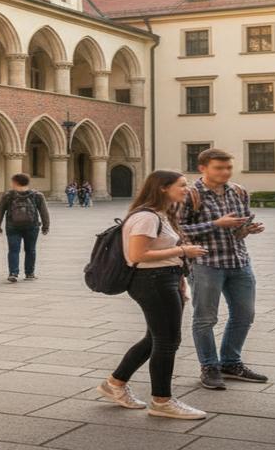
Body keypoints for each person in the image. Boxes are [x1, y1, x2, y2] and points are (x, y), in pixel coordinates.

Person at [98, 170, 209, 420]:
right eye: (182, 185)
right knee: (168, 341)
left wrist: (179, 277)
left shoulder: (162, 214)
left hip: (165, 279)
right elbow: (137, 255)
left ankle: (114, 384)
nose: (187, 188)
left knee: (155, 338)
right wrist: (183, 250)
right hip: (152, 281)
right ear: (162, 187)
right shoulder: (146, 217)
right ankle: (162, 401)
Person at [179, 147, 268, 390]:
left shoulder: (239, 191)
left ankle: (230, 362)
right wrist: (216, 224)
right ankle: (209, 366)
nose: (226, 172)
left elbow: (238, 231)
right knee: (205, 319)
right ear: (203, 168)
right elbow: (176, 230)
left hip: (239, 262)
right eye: (219, 168)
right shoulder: (189, 195)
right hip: (206, 264)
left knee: (244, 315)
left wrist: (247, 229)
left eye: (228, 167)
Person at [0, 172, 50, 283]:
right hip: (32, 226)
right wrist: (45, 226)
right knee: (30, 250)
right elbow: (44, 212)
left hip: (12, 226)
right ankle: (29, 273)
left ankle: (13, 273)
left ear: (15, 182)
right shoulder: (37, 195)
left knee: (13, 250)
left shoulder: (8, 195)